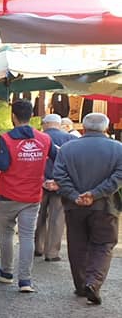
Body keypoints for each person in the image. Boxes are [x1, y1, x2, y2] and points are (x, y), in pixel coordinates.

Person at [0, 100, 56, 293]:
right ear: (31, 116)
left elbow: (2, 164)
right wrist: (55, 179)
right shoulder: (44, 139)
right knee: (27, 236)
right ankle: (26, 281)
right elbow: (59, 157)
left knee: (6, 234)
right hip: (32, 196)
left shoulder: (6, 138)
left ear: (13, 116)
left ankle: (6, 272)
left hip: (8, 195)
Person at [52, 113, 122, 305]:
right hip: (105, 206)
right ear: (106, 128)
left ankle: (82, 284)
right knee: (103, 244)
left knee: (77, 245)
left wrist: (75, 195)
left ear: (83, 127)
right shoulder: (118, 148)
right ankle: (93, 281)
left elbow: (59, 175)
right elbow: (118, 176)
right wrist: (96, 193)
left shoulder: (67, 148)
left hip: (74, 206)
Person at [34, 114, 75, 262]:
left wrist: (44, 180)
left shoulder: (37, 138)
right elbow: (73, 164)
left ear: (44, 124)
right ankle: (51, 253)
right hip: (61, 184)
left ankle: (38, 247)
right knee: (57, 218)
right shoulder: (71, 140)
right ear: (59, 124)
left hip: (38, 183)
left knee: (39, 215)